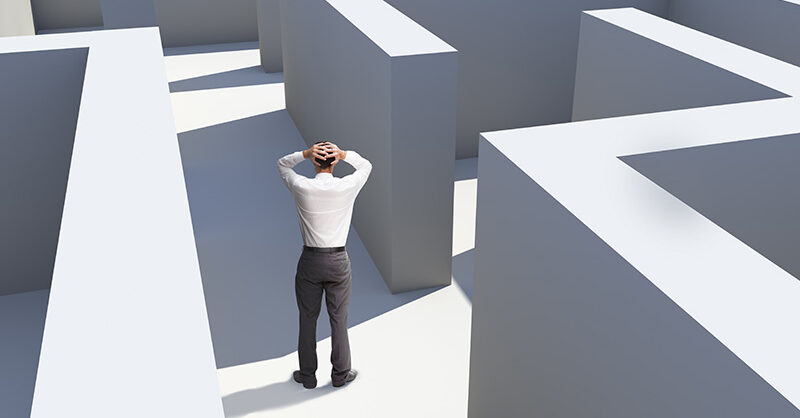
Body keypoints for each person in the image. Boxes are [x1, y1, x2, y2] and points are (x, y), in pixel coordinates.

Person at [277, 140, 372, 389]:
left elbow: (282, 164)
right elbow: (366, 166)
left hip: (310, 261)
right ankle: (340, 375)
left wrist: (304, 153)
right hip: (338, 260)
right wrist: (345, 153)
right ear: (335, 161)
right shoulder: (346, 186)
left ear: (314, 160)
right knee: (339, 320)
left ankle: (308, 377)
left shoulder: (302, 186)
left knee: (307, 319)